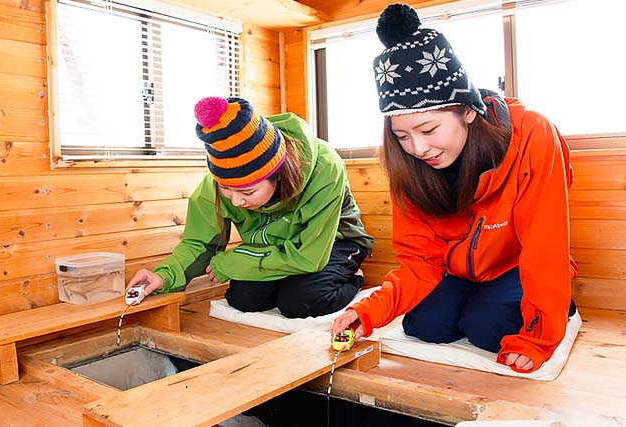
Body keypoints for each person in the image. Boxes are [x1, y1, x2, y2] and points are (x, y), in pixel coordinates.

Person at [332, 3, 577, 373]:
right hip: (461, 270)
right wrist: (367, 311)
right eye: (402, 137)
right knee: (424, 326)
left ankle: (559, 304)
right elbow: (418, 260)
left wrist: (539, 335)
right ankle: (483, 300)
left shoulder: (532, 134)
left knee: (487, 326)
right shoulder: (409, 165)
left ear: (467, 111)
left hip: (517, 264)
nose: (418, 148)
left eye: (429, 130)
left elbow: (545, 245)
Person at [128, 96, 374, 318]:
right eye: (226, 189)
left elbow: (309, 257)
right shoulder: (218, 180)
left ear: (279, 175)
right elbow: (200, 242)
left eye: (248, 192)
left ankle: (354, 279)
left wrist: (230, 262)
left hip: (331, 242)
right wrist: (164, 276)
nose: (236, 201)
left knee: (300, 302)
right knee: (243, 298)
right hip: (274, 246)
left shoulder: (326, 167)